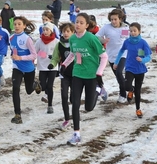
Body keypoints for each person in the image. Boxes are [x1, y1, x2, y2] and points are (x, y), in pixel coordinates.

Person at [60, 13, 108, 145]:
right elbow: (72, 54)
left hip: (92, 75)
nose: (78, 25)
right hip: (77, 74)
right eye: (77, 22)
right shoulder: (73, 38)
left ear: (87, 25)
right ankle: (76, 135)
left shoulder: (91, 38)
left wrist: (99, 73)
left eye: (81, 23)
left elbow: (104, 57)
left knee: (88, 108)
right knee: (75, 104)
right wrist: (64, 64)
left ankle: (99, 91)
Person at [114, 22, 151, 118]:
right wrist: (116, 62)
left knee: (138, 92)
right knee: (126, 86)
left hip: (140, 69)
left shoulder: (143, 43)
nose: (132, 33)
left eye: (135, 31)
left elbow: (148, 57)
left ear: (139, 31)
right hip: (130, 68)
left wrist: (142, 60)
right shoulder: (127, 42)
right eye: (131, 31)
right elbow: (121, 51)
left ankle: (138, 109)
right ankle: (131, 90)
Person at [9, 16, 41, 124]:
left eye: (19, 24)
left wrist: (21, 58)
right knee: (15, 89)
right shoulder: (11, 37)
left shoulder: (27, 39)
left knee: (28, 91)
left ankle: (35, 84)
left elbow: (34, 55)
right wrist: (13, 56)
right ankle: (17, 115)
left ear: (24, 26)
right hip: (17, 67)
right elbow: (13, 50)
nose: (17, 26)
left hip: (28, 68)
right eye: (15, 24)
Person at [96, 9, 130, 103]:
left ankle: (123, 94)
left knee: (119, 73)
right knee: (118, 76)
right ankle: (129, 88)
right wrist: (103, 40)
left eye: (115, 19)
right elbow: (96, 36)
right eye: (111, 19)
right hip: (111, 55)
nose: (113, 21)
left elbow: (127, 40)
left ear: (120, 19)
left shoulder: (125, 28)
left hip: (123, 54)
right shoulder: (106, 28)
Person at [48, 22, 75, 129]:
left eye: (68, 31)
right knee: (64, 96)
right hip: (64, 74)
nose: (66, 33)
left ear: (73, 32)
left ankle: (75, 115)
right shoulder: (59, 44)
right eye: (64, 31)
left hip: (76, 74)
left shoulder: (76, 44)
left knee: (73, 98)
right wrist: (52, 64)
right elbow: (55, 57)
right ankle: (67, 119)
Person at [35, 22, 59, 114]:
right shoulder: (39, 41)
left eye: (47, 30)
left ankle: (50, 105)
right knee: (43, 87)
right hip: (42, 66)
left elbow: (59, 54)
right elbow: (35, 52)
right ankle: (37, 85)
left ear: (51, 31)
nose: (45, 31)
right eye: (44, 30)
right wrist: (42, 55)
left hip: (52, 67)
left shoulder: (56, 41)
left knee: (50, 86)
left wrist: (53, 57)